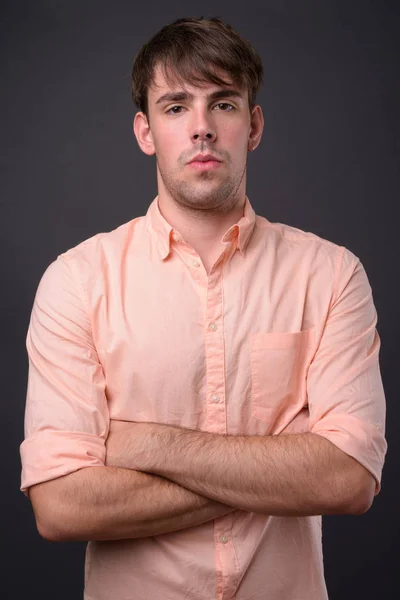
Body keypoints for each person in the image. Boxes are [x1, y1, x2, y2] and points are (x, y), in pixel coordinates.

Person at [20, 16, 387, 600]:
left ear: (254, 124)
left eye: (223, 104)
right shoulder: (75, 282)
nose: (201, 129)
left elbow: (347, 479)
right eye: (174, 107)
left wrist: (142, 445)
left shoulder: (331, 274)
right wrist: (283, 469)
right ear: (145, 131)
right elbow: (61, 507)